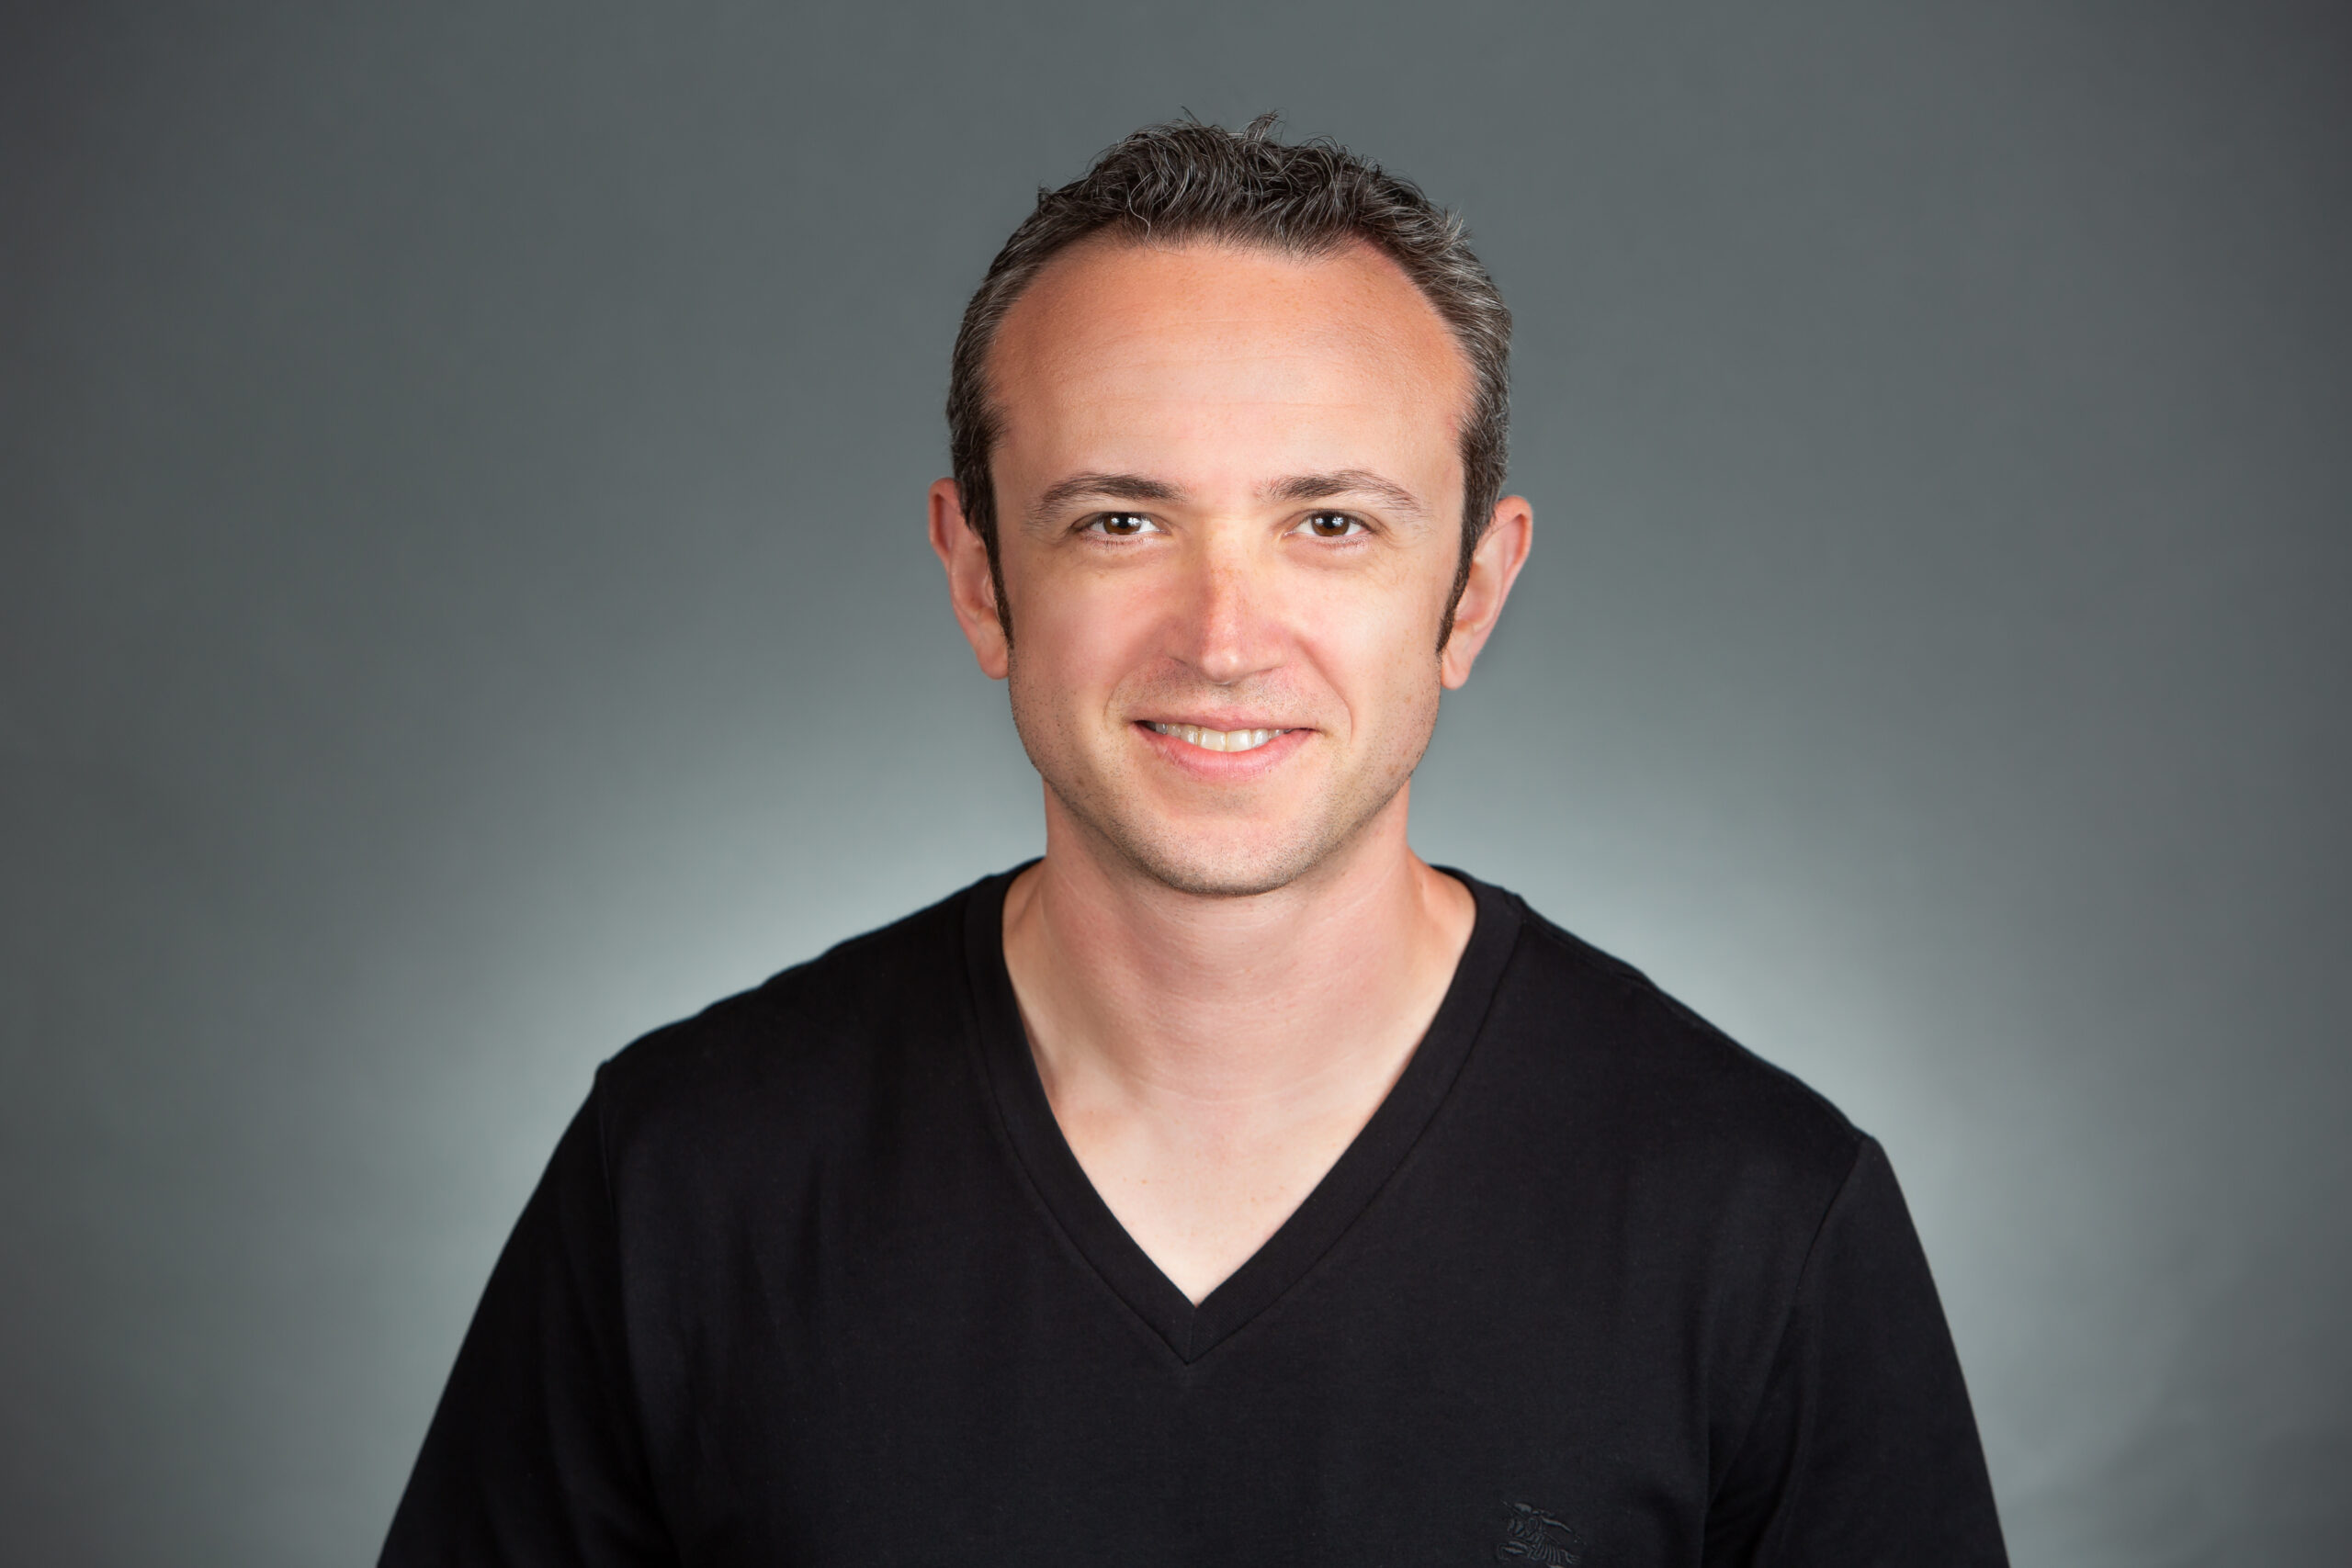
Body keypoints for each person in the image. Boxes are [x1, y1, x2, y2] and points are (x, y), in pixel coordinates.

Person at [381, 115, 2008, 1565]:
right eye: (1121, 521)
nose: (1224, 638)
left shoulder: (1763, 1218)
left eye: (1330, 524)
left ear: (1474, 592)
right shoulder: (684, 1175)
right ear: (978, 577)